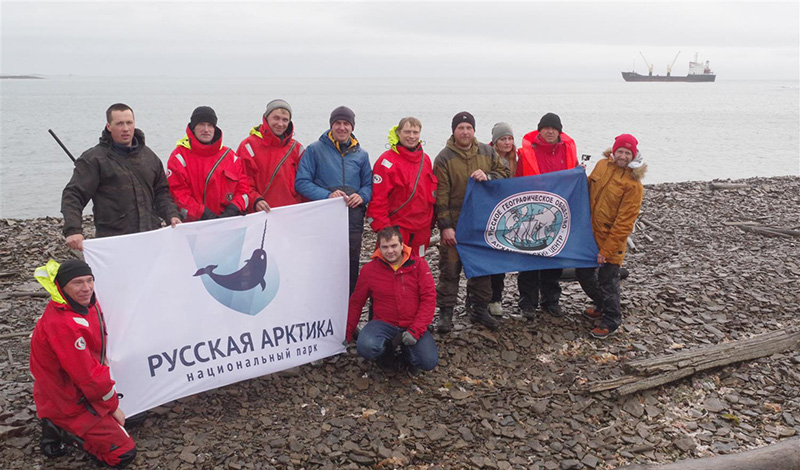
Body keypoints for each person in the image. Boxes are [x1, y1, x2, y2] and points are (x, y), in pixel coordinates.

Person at [30, 259, 136, 467]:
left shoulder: (87, 303)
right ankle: (61, 428)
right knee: (123, 454)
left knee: (133, 418)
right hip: (70, 400)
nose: (86, 288)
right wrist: (112, 407)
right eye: (77, 283)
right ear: (62, 287)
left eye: (90, 280)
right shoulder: (63, 325)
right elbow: (87, 376)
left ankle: (55, 422)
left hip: (73, 389)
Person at [61, 103, 180, 251]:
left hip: (151, 237)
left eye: (129, 123)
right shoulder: (94, 159)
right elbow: (73, 195)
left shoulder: (149, 156)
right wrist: (73, 230)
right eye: (119, 123)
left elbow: (161, 192)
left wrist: (172, 215)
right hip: (114, 241)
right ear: (108, 126)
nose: (125, 128)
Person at [433, 111, 510, 333]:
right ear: (454, 131)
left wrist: (489, 177)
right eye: (460, 128)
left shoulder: (487, 152)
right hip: (455, 223)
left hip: (481, 223)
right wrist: (445, 227)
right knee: (449, 269)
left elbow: (504, 173)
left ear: (474, 131)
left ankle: (478, 309)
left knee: (481, 269)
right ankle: (446, 312)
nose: (465, 132)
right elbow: (441, 196)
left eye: (468, 128)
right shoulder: (444, 158)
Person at [295, 106, 372, 294]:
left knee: (350, 265)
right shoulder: (315, 150)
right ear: (331, 125)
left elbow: (369, 186)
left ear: (352, 127)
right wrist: (327, 195)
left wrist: (361, 196)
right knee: (323, 265)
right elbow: (302, 182)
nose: (342, 128)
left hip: (352, 219)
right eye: (338, 123)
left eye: (346, 124)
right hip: (324, 219)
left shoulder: (362, 155)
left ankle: (348, 316)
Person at [576, 134, 646, 338]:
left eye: (627, 152)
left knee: (608, 280)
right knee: (584, 274)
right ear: (613, 152)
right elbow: (588, 188)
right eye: (620, 151)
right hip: (590, 235)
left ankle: (611, 320)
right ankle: (601, 305)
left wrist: (606, 250)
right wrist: (578, 176)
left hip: (612, 240)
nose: (622, 156)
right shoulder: (601, 165)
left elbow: (625, 223)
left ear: (633, 155)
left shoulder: (634, 185)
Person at [346, 226, 438, 375]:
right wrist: (348, 331)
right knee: (366, 347)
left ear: (402, 245)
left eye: (394, 246)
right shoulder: (370, 270)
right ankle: (385, 353)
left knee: (428, 361)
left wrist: (416, 329)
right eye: (385, 247)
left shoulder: (419, 266)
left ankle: (408, 354)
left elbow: (429, 300)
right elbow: (357, 301)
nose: (390, 251)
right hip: (383, 323)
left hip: (412, 323)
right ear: (379, 248)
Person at [514, 112, 578, 320]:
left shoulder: (567, 150)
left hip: (558, 212)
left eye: (554, 128)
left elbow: (575, 176)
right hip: (532, 212)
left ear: (559, 131)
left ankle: (551, 300)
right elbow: (515, 178)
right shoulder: (526, 152)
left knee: (554, 259)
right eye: (546, 128)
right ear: (539, 130)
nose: (550, 131)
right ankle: (527, 303)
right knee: (529, 259)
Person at [366, 117, 437, 258]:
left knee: (418, 266)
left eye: (415, 132)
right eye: (407, 132)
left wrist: (432, 222)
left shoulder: (426, 159)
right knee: (391, 271)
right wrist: (385, 231)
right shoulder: (386, 162)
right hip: (398, 229)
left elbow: (431, 194)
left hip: (421, 229)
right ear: (398, 133)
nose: (411, 136)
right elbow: (378, 200)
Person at [167, 106, 249, 221]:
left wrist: (234, 208)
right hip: (194, 226)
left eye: (210, 125)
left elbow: (243, 189)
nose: (206, 129)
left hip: (227, 223)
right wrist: (201, 213)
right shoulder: (179, 157)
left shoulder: (230, 156)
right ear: (193, 127)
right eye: (201, 124)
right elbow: (177, 193)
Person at [238, 99, 305, 212]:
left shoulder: (297, 148)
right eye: (276, 118)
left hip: (292, 213)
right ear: (266, 118)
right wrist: (255, 200)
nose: (280, 124)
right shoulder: (248, 146)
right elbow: (241, 181)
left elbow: (305, 182)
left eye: (285, 120)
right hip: (261, 213)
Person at [487, 122, 517, 317]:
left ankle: (497, 297)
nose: (507, 142)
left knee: (503, 256)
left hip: (513, 214)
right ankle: (483, 299)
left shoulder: (518, 159)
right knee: (489, 257)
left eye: (509, 138)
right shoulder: (486, 156)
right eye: (503, 139)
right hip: (492, 213)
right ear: (495, 142)